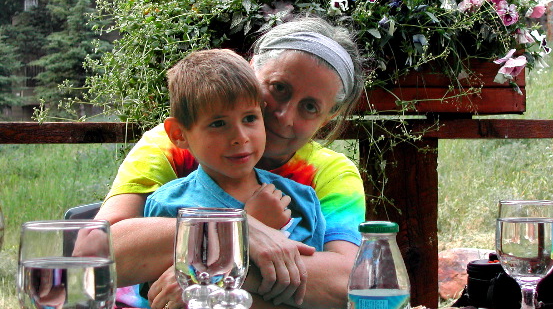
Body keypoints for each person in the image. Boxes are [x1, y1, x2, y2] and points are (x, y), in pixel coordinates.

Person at [94, 16, 366, 309]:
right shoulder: (174, 145)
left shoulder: (329, 174)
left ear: (328, 118)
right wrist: (236, 230)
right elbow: (95, 256)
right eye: (278, 88)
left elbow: (347, 284)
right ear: (251, 71)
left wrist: (208, 275)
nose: (284, 116)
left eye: (310, 107)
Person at [144, 48, 326, 254]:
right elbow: (168, 284)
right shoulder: (171, 207)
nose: (240, 137)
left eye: (249, 118)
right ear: (179, 134)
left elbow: (315, 279)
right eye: (219, 123)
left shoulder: (301, 199)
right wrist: (247, 225)